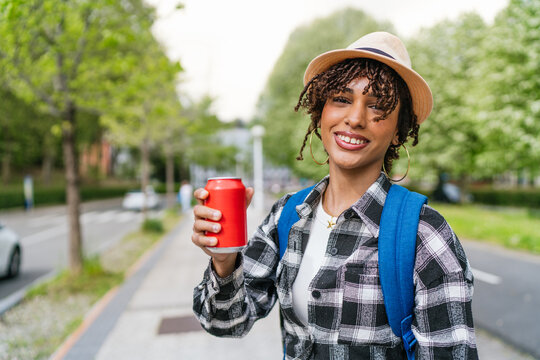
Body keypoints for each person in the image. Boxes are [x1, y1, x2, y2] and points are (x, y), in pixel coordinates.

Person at [191, 32, 477, 359]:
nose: (355, 118)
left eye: (378, 106)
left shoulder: (424, 235)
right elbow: (226, 323)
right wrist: (224, 261)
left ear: (399, 129)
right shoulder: (287, 216)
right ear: (320, 113)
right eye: (341, 99)